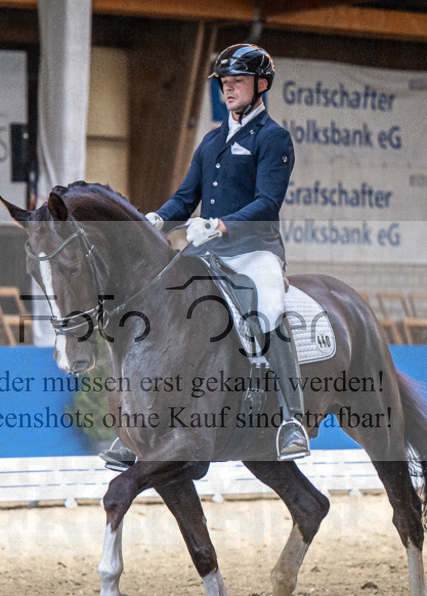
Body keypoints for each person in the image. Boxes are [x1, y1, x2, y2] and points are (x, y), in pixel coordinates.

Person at [146, 43, 308, 461]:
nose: (228, 89)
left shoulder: (274, 138)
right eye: (223, 83)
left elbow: (267, 201)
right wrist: (158, 219)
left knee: (270, 305)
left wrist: (220, 224)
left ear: (261, 85)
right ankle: (148, 420)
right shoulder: (211, 139)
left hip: (254, 250)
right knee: (164, 302)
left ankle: (293, 419)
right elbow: (185, 197)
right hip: (209, 251)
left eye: (237, 82)